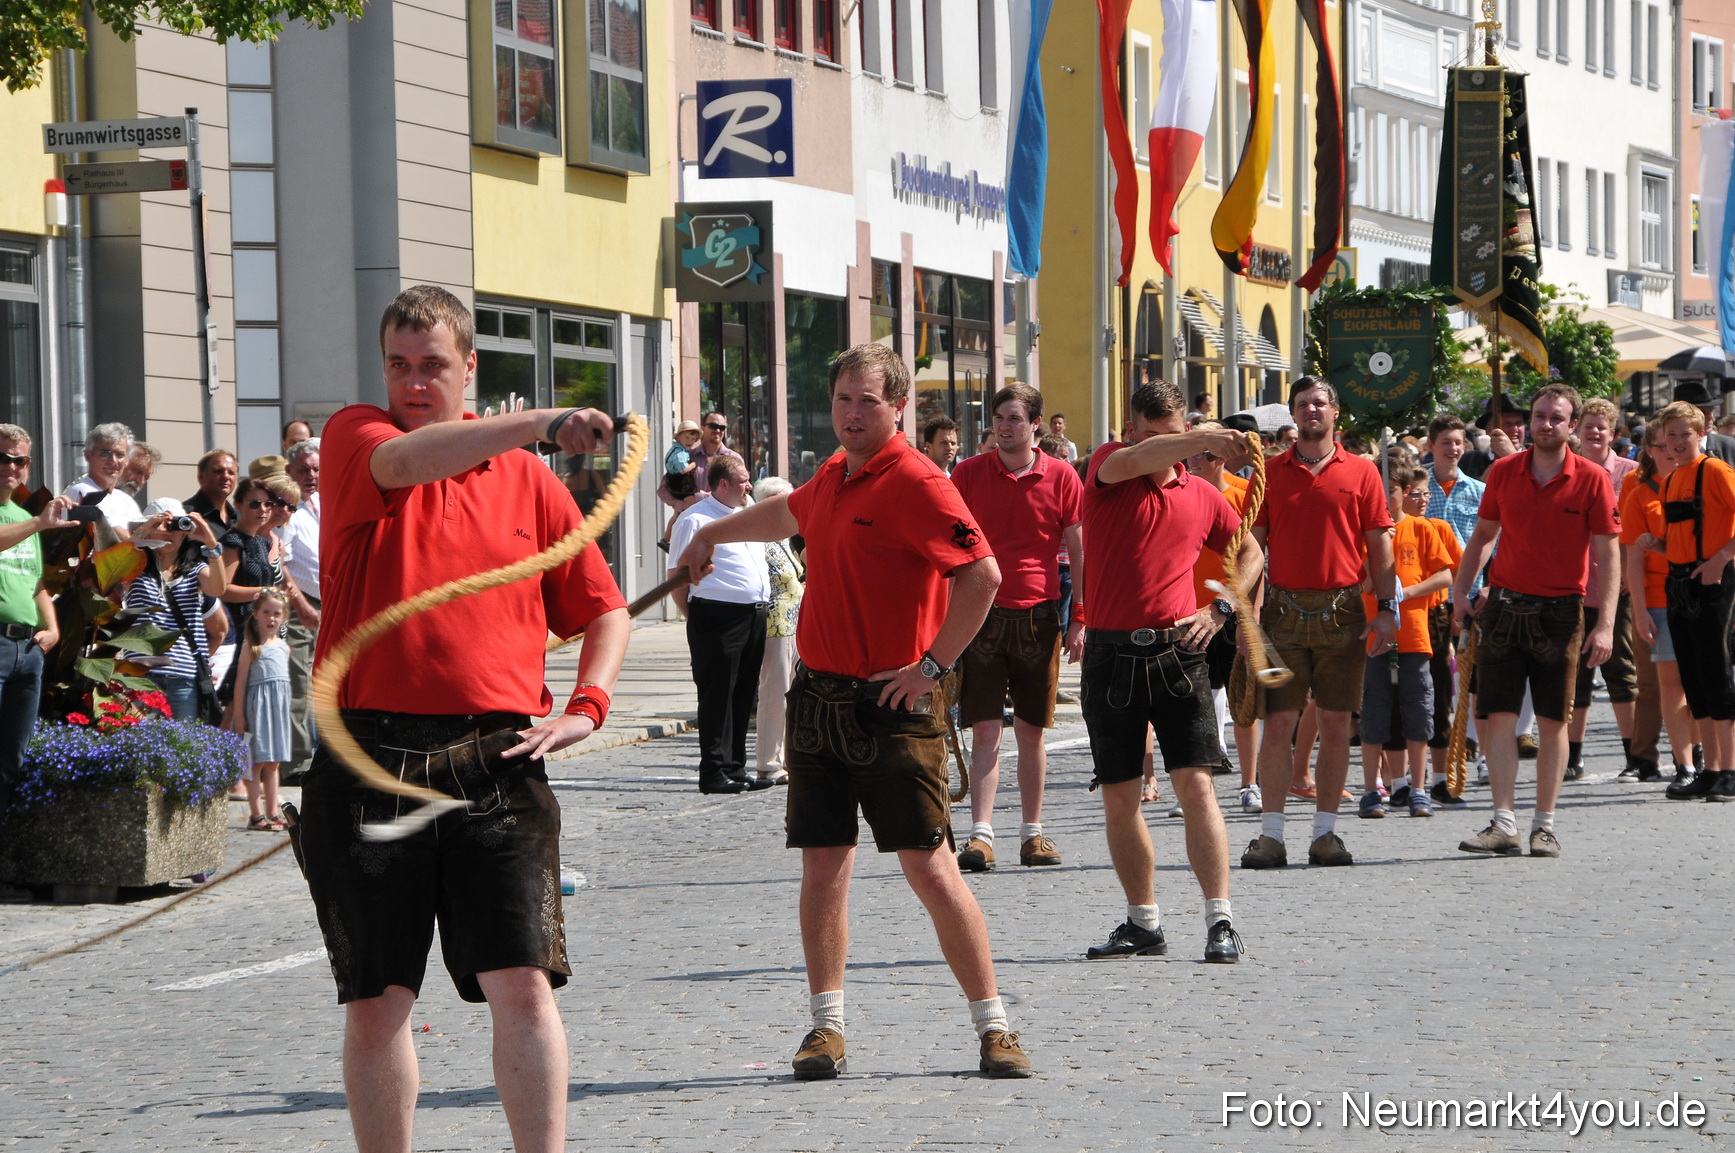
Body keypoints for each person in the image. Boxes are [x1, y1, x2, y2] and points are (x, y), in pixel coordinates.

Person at [299, 284, 629, 1153]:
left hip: (497, 754)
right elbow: (409, 463)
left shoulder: (525, 479)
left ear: (469, 368)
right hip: (371, 751)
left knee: (523, 983)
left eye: (433, 365)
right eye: (399, 365)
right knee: (379, 999)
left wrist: (586, 706)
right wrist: (540, 420)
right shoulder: (355, 436)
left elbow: (605, 608)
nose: (413, 382)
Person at [674, 341, 1031, 1080]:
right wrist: (710, 530)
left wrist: (932, 665)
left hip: (892, 708)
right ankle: (824, 1028)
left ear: (898, 407)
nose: (850, 413)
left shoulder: (919, 481)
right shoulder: (835, 474)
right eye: (841, 398)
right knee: (823, 868)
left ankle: (993, 1025)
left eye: (867, 400)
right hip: (818, 703)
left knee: (930, 868)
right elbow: (788, 513)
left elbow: (983, 576)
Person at [1076, 381, 1258, 964]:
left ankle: (1220, 919)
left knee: (1196, 785)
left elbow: (1252, 552)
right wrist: (1198, 438)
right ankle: (1143, 920)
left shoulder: (1202, 494)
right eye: (1147, 433)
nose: (1156, 446)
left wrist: (1222, 606)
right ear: (1130, 429)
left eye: (1170, 435)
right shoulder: (1109, 463)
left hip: (1179, 650)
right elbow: (1138, 460)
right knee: (1121, 795)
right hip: (1110, 655)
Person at [1451, 385, 1619, 858]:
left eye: (1556, 418)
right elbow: (1484, 534)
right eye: (1540, 416)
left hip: (1561, 612)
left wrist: (1604, 624)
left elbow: (1608, 554)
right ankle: (1503, 822)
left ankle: (1544, 825)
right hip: (1503, 607)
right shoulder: (1503, 471)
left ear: (1572, 426)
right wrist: (1461, 593)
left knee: (1551, 721)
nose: (1546, 424)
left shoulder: (1591, 478)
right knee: (1498, 717)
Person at [1240, 378, 1397, 870]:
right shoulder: (1270, 473)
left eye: (1320, 403)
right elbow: (1251, 548)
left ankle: (1325, 835)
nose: (1312, 411)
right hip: (1283, 612)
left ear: (1335, 415)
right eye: (1303, 404)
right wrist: (1245, 617)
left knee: (1334, 723)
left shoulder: (1364, 473)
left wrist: (1388, 609)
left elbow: (1380, 546)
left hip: (1344, 611)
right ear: (1293, 415)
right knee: (1279, 724)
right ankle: (1271, 836)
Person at [949, 382, 1084, 871]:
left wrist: (1080, 618)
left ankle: (1033, 833)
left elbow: (1079, 549)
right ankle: (980, 835)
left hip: (1040, 615)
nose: (1004, 427)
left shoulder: (1063, 476)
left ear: (1035, 425)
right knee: (985, 731)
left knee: (1031, 732)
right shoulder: (967, 474)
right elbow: (946, 543)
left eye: (1013, 418)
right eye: (998, 418)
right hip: (980, 616)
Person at [668, 457, 774, 795]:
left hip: (753, 613)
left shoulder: (746, 515)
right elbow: (677, 576)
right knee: (717, 695)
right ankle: (713, 771)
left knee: (743, 694)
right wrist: (696, 618)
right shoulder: (695, 519)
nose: (748, 486)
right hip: (716, 615)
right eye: (742, 480)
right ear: (723, 484)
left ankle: (735, 766)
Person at [1355, 466, 1456, 820]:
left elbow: (1444, 573)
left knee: (1419, 711)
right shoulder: (1363, 532)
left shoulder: (1420, 528)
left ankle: (1418, 788)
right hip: (1375, 637)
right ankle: (1371, 789)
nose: (1384, 499)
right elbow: (1360, 583)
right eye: (1377, 493)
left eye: (1391, 492)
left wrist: (1408, 591)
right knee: (1375, 714)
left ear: (1405, 491)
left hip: (1413, 634)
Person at [1648, 401, 1735, 800]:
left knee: (1717, 674)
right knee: (1694, 676)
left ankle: (1730, 770)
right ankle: (1710, 768)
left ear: (1701, 435)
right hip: (1680, 583)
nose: (1679, 442)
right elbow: (1683, 538)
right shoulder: (1670, 480)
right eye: (1672, 435)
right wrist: (1657, 544)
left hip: (1715, 582)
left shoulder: (1715, 470)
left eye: (1686, 434)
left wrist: (1720, 560)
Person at [1565, 398, 1639, 780]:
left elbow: (1638, 530)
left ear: (1613, 433)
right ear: (1577, 429)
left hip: (1617, 588)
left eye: (1602, 427)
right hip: (1572, 587)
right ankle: (1573, 757)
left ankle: (1635, 755)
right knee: (1573, 674)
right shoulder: (1567, 471)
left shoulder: (1631, 474)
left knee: (1619, 670)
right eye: (1589, 425)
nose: (1595, 432)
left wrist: (1629, 575)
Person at [1621, 424, 1695, 784]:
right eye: (1661, 445)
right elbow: (1629, 549)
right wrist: (1636, 604)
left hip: (1697, 596)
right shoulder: (1636, 491)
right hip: (1653, 597)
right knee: (1651, 684)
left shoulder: (1700, 481)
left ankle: (1699, 753)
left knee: (1698, 681)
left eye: (1674, 443)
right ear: (1649, 450)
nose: (1670, 450)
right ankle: (1643, 757)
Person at [0, 426, 69, 814]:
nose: (10, 466)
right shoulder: (30, 522)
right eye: (3, 457)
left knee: (12, 760)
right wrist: (39, 524)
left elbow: (36, 581)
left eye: (19, 460)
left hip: (27, 649)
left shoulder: (24, 517)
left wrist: (54, 627)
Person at [1423, 416, 1485, 805]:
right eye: (1446, 441)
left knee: (1474, 679)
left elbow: (1491, 541)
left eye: (1459, 442)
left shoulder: (1478, 490)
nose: (1454, 448)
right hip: (1428, 600)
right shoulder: (1417, 488)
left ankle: (1475, 748)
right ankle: (1440, 764)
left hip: (1471, 596)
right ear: (1431, 445)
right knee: (1438, 684)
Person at [123, 499, 228, 722]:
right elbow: (119, 562)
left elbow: (218, 588)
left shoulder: (195, 570)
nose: (169, 532)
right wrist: (145, 531)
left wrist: (211, 542)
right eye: (162, 526)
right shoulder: (136, 568)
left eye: (175, 526)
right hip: (141, 674)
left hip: (183, 675)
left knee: (182, 746)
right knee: (141, 746)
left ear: (185, 532)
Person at [224, 588, 292, 831]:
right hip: (256, 710)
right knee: (255, 763)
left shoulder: (284, 647)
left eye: (276, 614)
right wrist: (240, 717)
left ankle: (273, 811)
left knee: (273, 762)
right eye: (266, 613)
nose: (271, 618)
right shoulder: (250, 646)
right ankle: (256, 814)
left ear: (283, 617)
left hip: (276, 712)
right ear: (256, 614)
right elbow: (240, 682)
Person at [753, 475, 803, 786]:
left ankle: (786, 757)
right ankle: (769, 762)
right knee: (775, 694)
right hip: (775, 625)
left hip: (795, 623)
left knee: (792, 694)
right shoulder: (759, 539)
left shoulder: (784, 538)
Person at [279, 439, 322, 781]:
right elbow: (280, 562)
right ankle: (298, 762)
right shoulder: (287, 511)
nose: (311, 475)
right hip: (298, 607)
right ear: (289, 472)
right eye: (303, 470)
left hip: (330, 605)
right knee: (298, 682)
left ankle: (322, 752)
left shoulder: (326, 502)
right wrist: (301, 604)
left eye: (316, 469)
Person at [63, 422, 142, 542]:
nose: (113, 461)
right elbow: (121, 539)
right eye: (105, 453)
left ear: (126, 461)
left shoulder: (126, 500)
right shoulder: (82, 491)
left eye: (120, 455)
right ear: (88, 456)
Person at [656, 411, 741, 514]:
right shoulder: (687, 456)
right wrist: (681, 504)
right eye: (713, 426)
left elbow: (739, 492)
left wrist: (698, 497)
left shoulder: (734, 459)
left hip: (721, 523)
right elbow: (663, 490)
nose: (718, 430)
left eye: (722, 427)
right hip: (691, 522)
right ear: (703, 428)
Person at [658, 419, 703, 551]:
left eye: (693, 439)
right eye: (687, 438)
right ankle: (682, 540)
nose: (690, 441)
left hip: (676, 482)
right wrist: (694, 465)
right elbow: (683, 469)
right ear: (678, 437)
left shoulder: (679, 450)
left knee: (678, 514)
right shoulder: (679, 454)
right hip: (680, 483)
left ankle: (667, 539)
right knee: (695, 500)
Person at [1666, 381, 1735, 466]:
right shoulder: (1663, 450)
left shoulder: (1729, 447)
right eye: (1703, 412)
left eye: (1712, 411)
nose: (1712, 418)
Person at [1459, 394, 1526, 480]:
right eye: (1506, 424)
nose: (1515, 429)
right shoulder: (1469, 461)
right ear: (1489, 430)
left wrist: (1511, 457)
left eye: (1518, 423)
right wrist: (1481, 485)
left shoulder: (1535, 459)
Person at [185, 449, 240, 536]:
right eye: (218, 471)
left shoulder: (241, 519)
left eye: (231, 473)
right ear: (201, 477)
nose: (226, 476)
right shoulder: (185, 515)